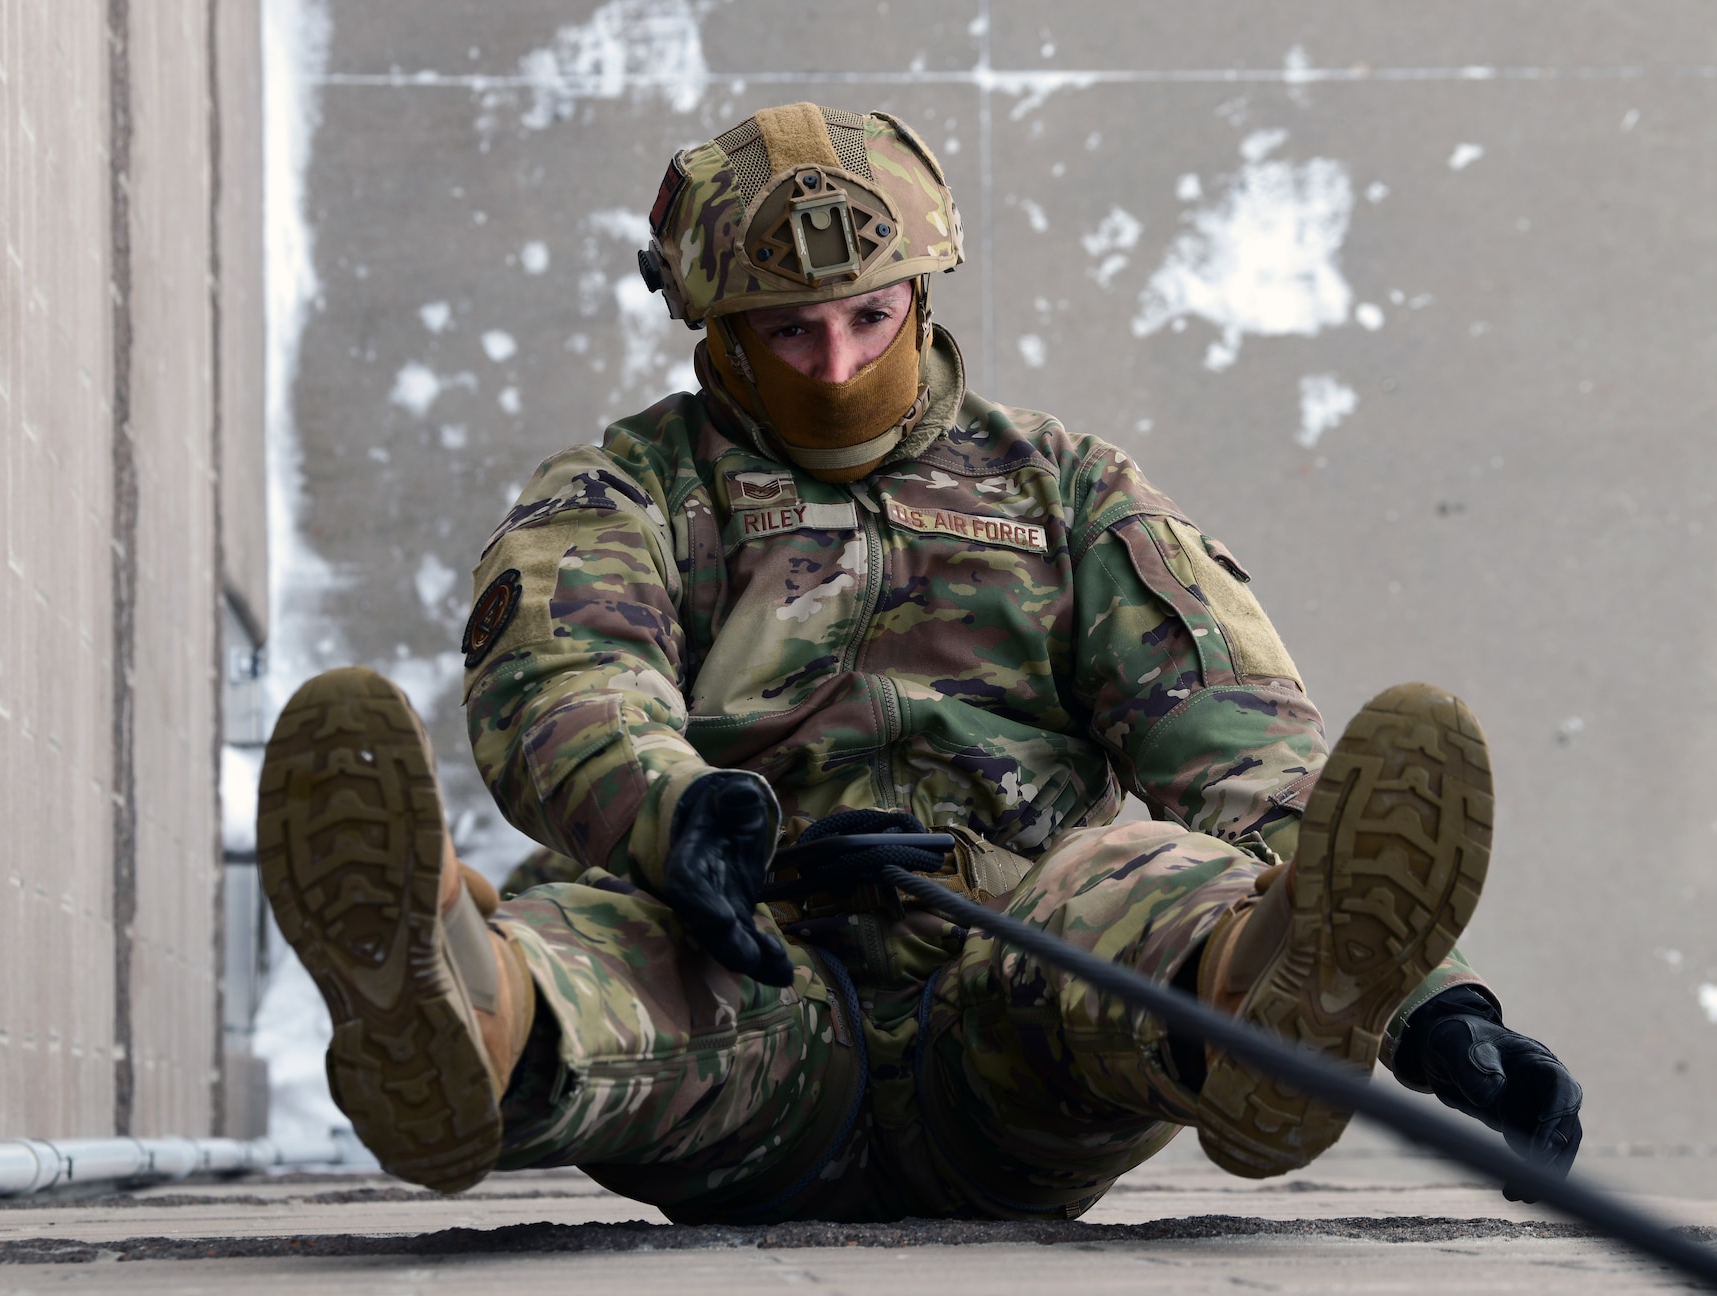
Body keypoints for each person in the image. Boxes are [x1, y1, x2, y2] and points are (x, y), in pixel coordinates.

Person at [258, 103, 1582, 1218]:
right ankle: (463, 1015)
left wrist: (1426, 1006)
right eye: (788, 331)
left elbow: (1244, 749)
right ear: (713, 327)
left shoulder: (1067, 492)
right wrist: (691, 821)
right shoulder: (630, 490)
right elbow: (566, 682)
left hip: (1013, 1027)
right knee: (601, 933)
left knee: (1139, 870)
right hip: (762, 1010)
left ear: (924, 297)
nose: (834, 362)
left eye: (868, 318)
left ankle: (1269, 1012)